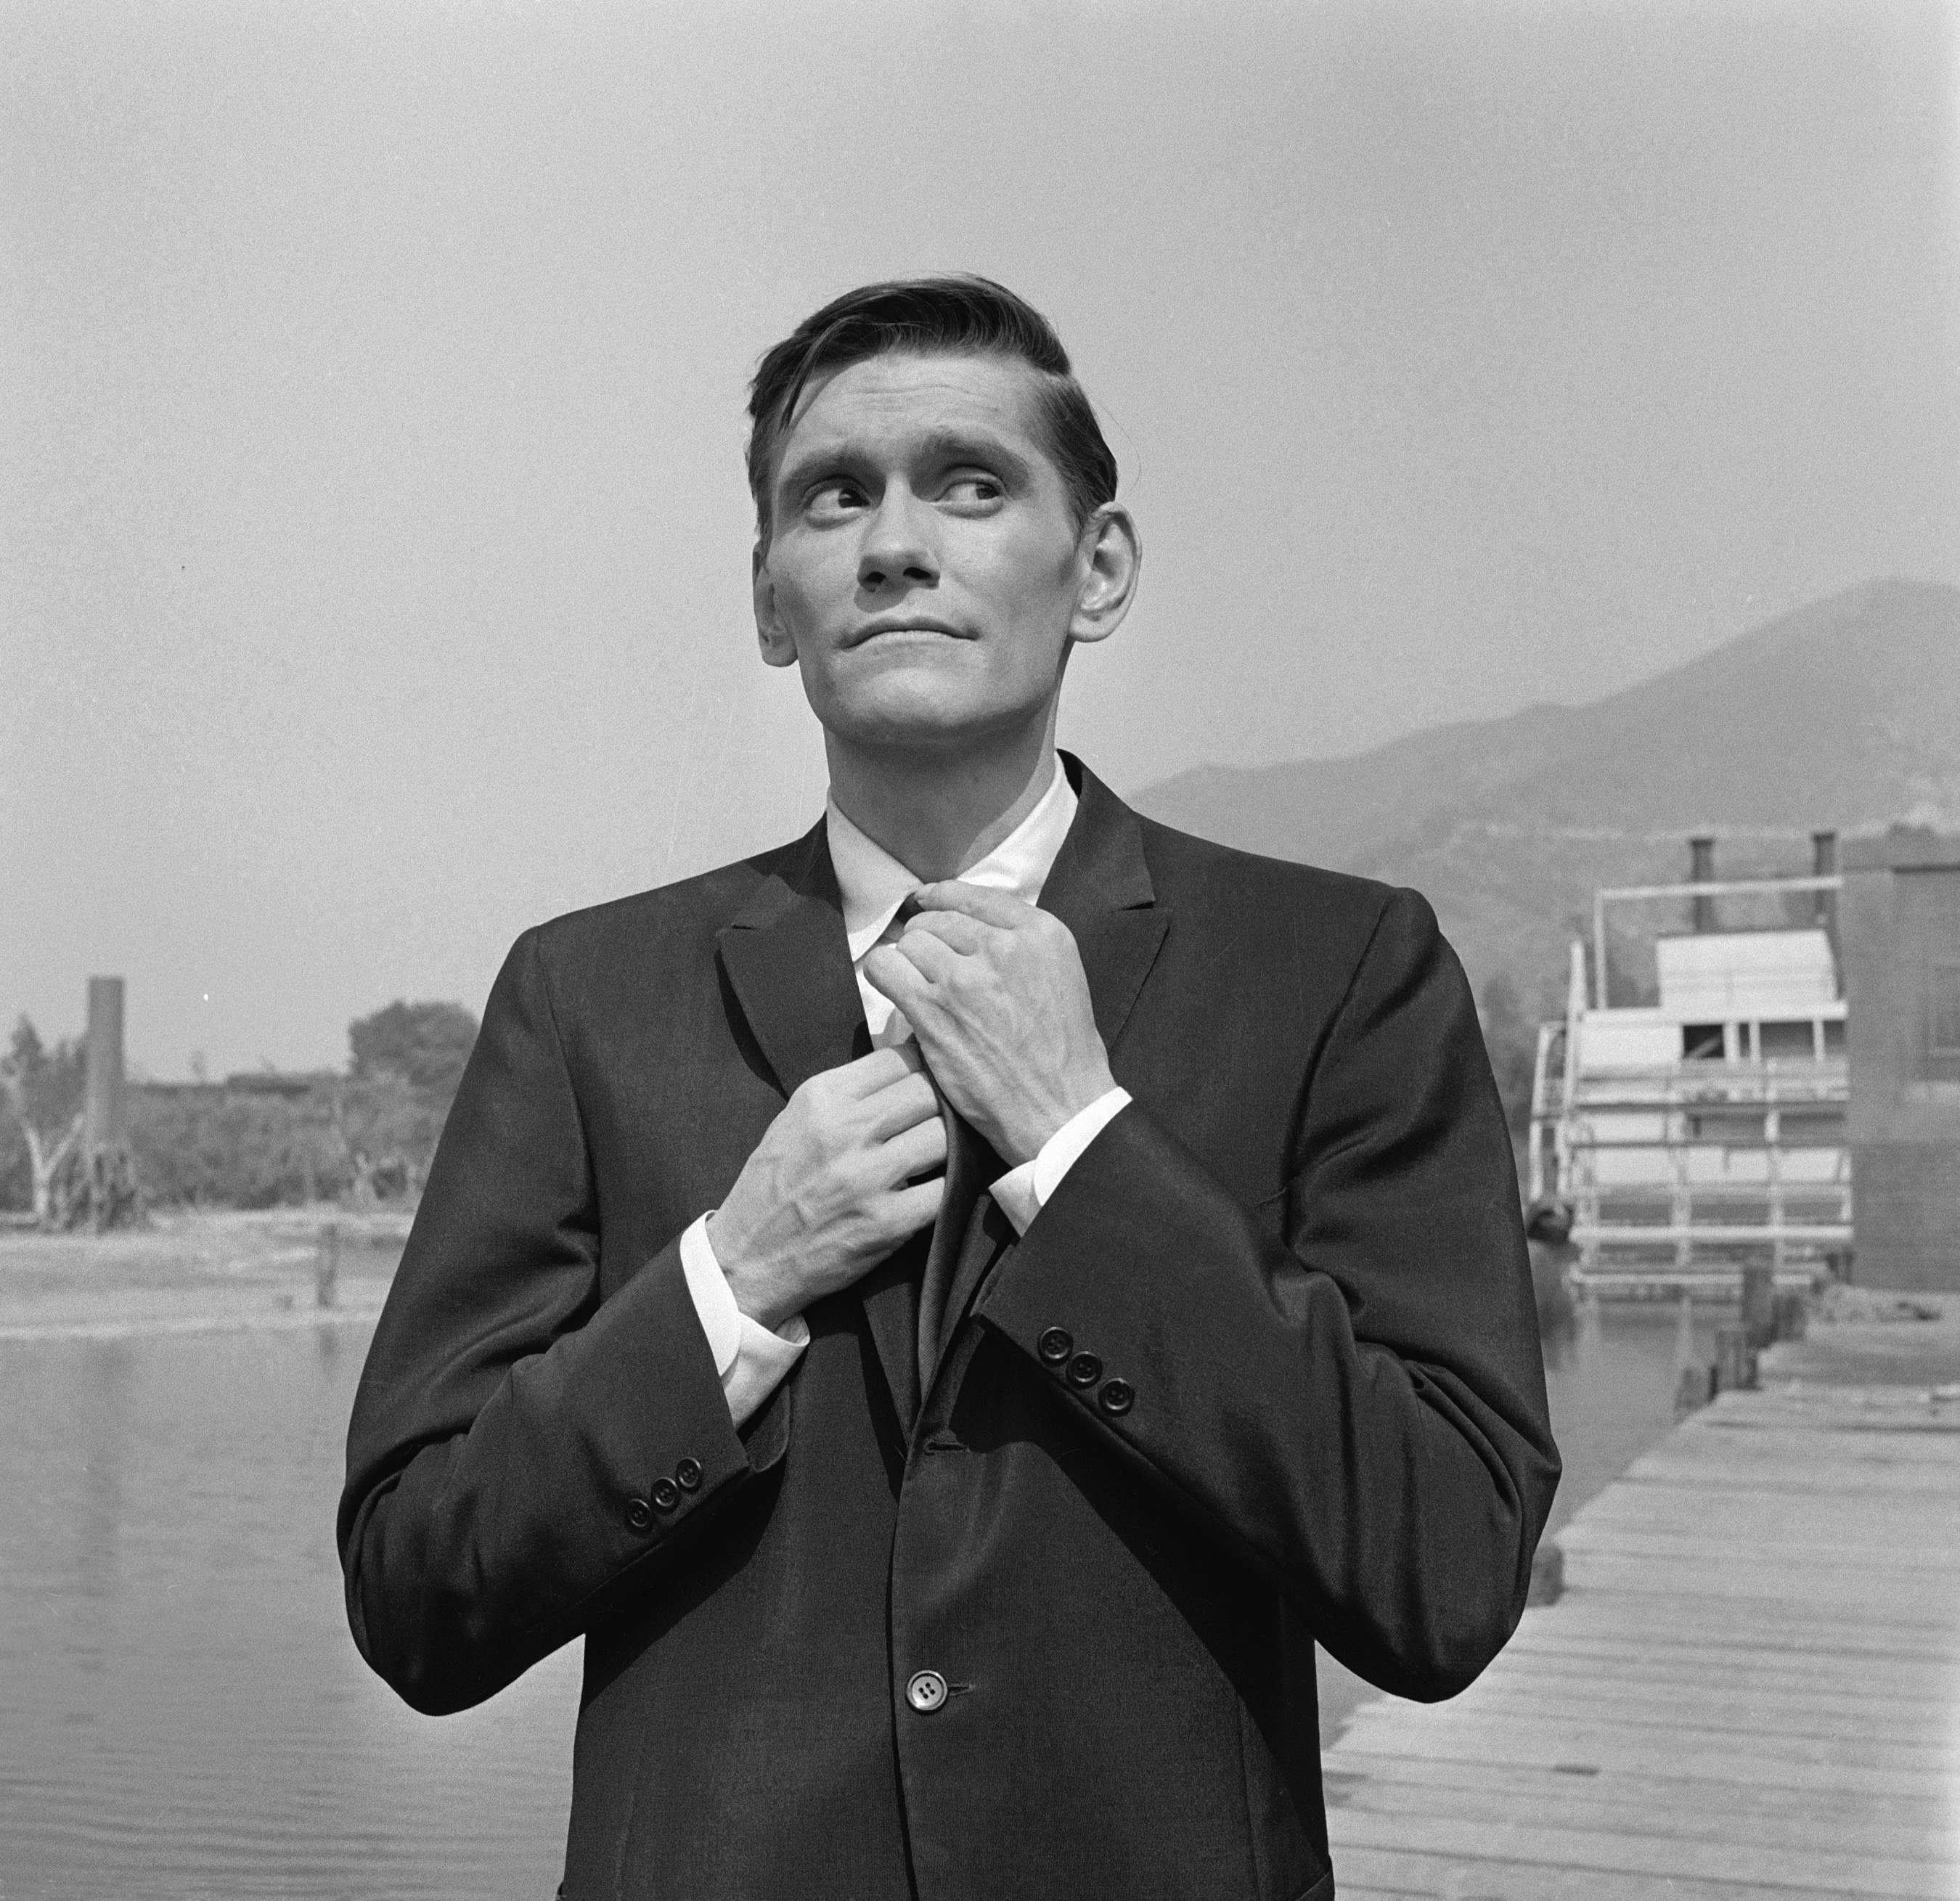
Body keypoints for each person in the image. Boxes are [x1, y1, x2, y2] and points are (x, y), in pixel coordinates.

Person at [339, 276, 1559, 1901]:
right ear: (773, 597)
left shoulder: (1339, 972)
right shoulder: (585, 998)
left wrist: (1084, 1148)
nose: (895, 541)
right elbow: (418, 1591)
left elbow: (1450, 1569)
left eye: (971, 484)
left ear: (1099, 567)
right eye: (833, 496)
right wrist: (731, 1279)